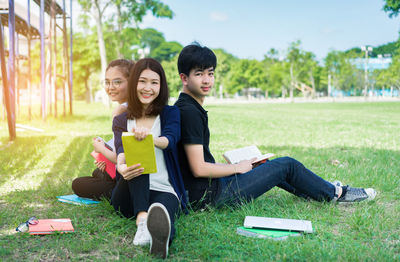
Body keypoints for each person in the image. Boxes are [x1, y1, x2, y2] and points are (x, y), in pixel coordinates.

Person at [174, 43, 377, 210]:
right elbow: (198, 168)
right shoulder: (189, 112)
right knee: (286, 164)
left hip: (207, 190)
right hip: (210, 198)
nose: (207, 80)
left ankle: (314, 191)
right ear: (184, 78)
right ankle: (337, 193)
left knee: (264, 164)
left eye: (210, 73)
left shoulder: (187, 106)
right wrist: (236, 168)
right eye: (199, 74)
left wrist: (239, 166)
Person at [111, 58, 187, 259]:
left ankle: (159, 239)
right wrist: (121, 168)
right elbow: (120, 153)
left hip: (164, 188)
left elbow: (170, 139)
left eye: (154, 83)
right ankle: (142, 221)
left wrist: (150, 139)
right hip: (128, 192)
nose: (148, 88)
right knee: (137, 159)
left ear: (161, 87)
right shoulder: (121, 120)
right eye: (142, 81)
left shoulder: (170, 113)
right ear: (134, 82)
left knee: (166, 215)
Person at [72, 59, 135, 200]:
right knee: (97, 172)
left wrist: (101, 149)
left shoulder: (121, 110)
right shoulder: (129, 106)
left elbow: (123, 158)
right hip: (124, 167)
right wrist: (105, 155)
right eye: (107, 82)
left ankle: (118, 193)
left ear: (132, 82)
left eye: (117, 82)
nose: (110, 87)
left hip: (128, 173)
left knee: (78, 184)